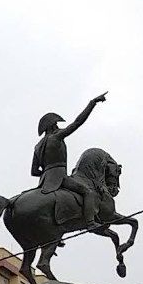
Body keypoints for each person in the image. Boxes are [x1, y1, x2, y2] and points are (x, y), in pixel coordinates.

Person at [32, 93, 107, 226]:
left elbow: (34, 171)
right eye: (56, 124)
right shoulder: (56, 137)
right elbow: (78, 122)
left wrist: (48, 173)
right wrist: (92, 103)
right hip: (60, 177)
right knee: (88, 192)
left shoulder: (37, 147)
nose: (58, 126)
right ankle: (90, 222)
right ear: (52, 126)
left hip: (44, 181)